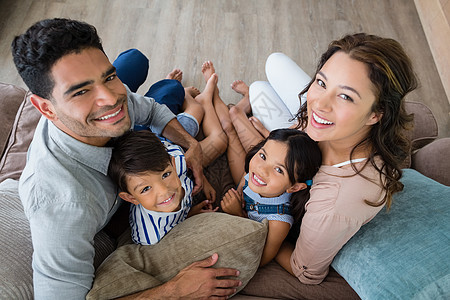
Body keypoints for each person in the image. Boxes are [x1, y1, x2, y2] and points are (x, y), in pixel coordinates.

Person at [12, 18, 240, 298]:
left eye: (109, 76)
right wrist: (175, 291)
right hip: (119, 155)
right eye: (81, 91)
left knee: (137, 61)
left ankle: (132, 72)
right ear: (45, 108)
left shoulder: (112, 101)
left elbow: (152, 111)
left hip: (130, 144)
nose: (110, 98)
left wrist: (191, 145)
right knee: (170, 90)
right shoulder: (64, 207)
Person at [229, 33, 417, 285]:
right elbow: (311, 112)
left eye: (346, 96)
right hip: (301, 136)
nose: (318, 103)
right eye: (321, 82)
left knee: (259, 91)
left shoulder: (333, 206)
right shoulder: (333, 124)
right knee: (270, 68)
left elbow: (305, 272)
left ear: (375, 115)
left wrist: (273, 233)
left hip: (304, 157)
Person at [220, 128, 322, 266]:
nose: (262, 169)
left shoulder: (279, 222)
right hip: (246, 204)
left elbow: (260, 259)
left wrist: (238, 214)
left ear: (295, 187)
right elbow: (245, 179)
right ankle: (231, 128)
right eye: (263, 156)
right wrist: (237, 194)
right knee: (228, 132)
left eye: (279, 170)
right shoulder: (255, 173)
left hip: (252, 227)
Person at [109, 132, 219, 245]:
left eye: (165, 175)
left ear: (174, 165)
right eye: (146, 189)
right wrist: (190, 217)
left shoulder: (179, 160)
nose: (163, 191)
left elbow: (180, 156)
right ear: (131, 198)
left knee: (220, 140)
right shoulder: (152, 236)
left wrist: (202, 180)